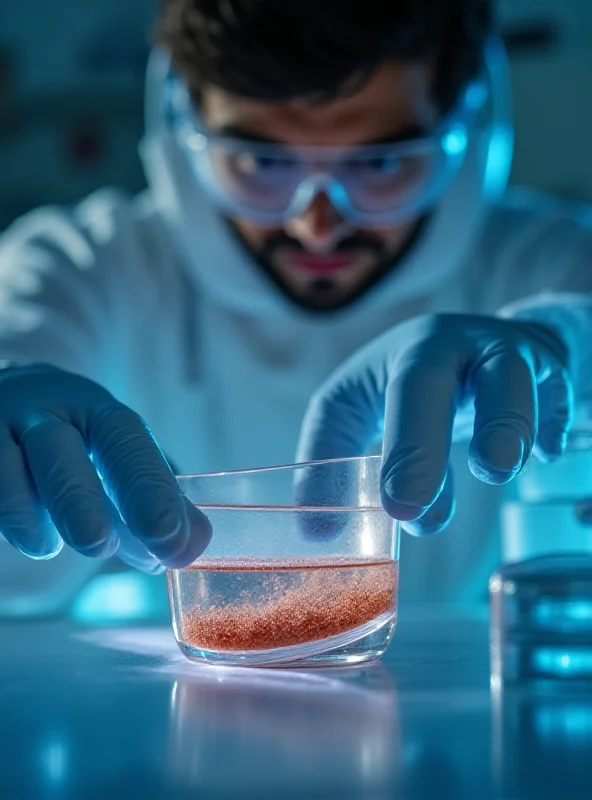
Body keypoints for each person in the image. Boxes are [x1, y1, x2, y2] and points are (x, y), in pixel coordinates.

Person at [0, 0, 591, 603]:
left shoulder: (545, 261)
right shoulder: (82, 266)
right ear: (184, 129)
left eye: (382, 162)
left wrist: (566, 341)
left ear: (468, 131)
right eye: (261, 161)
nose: (317, 224)